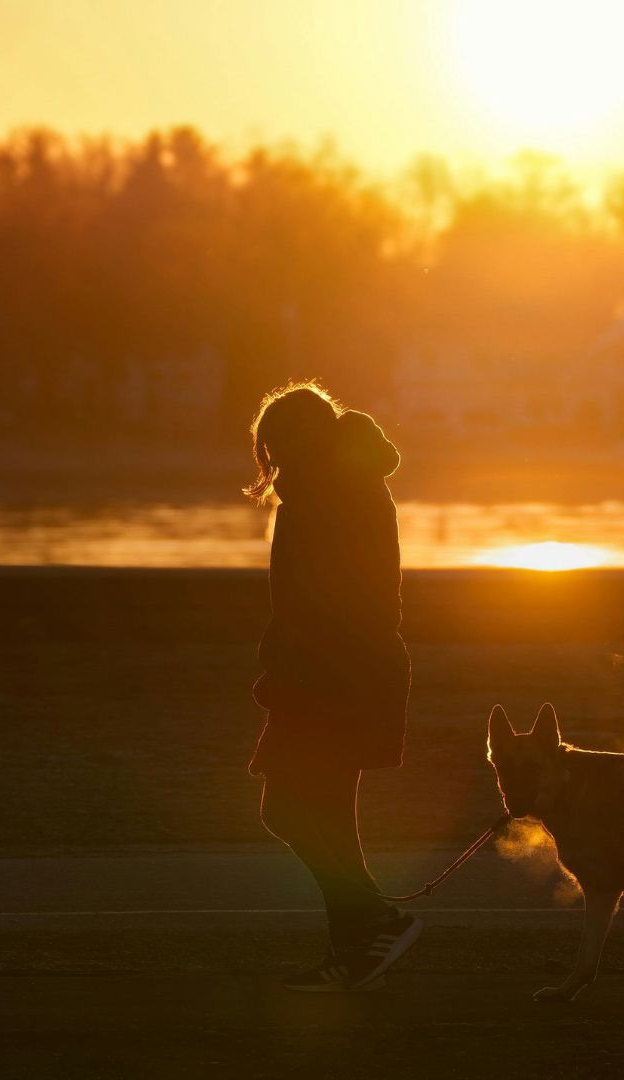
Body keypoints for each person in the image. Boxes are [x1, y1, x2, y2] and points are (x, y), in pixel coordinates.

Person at [244, 381, 420, 992]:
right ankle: (355, 949)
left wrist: (289, 653)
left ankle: (374, 920)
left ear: (298, 440)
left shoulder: (325, 491)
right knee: (322, 814)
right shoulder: (350, 483)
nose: (271, 462)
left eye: (275, 446)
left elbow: (325, 594)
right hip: (345, 671)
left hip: (333, 676)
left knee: (291, 807)